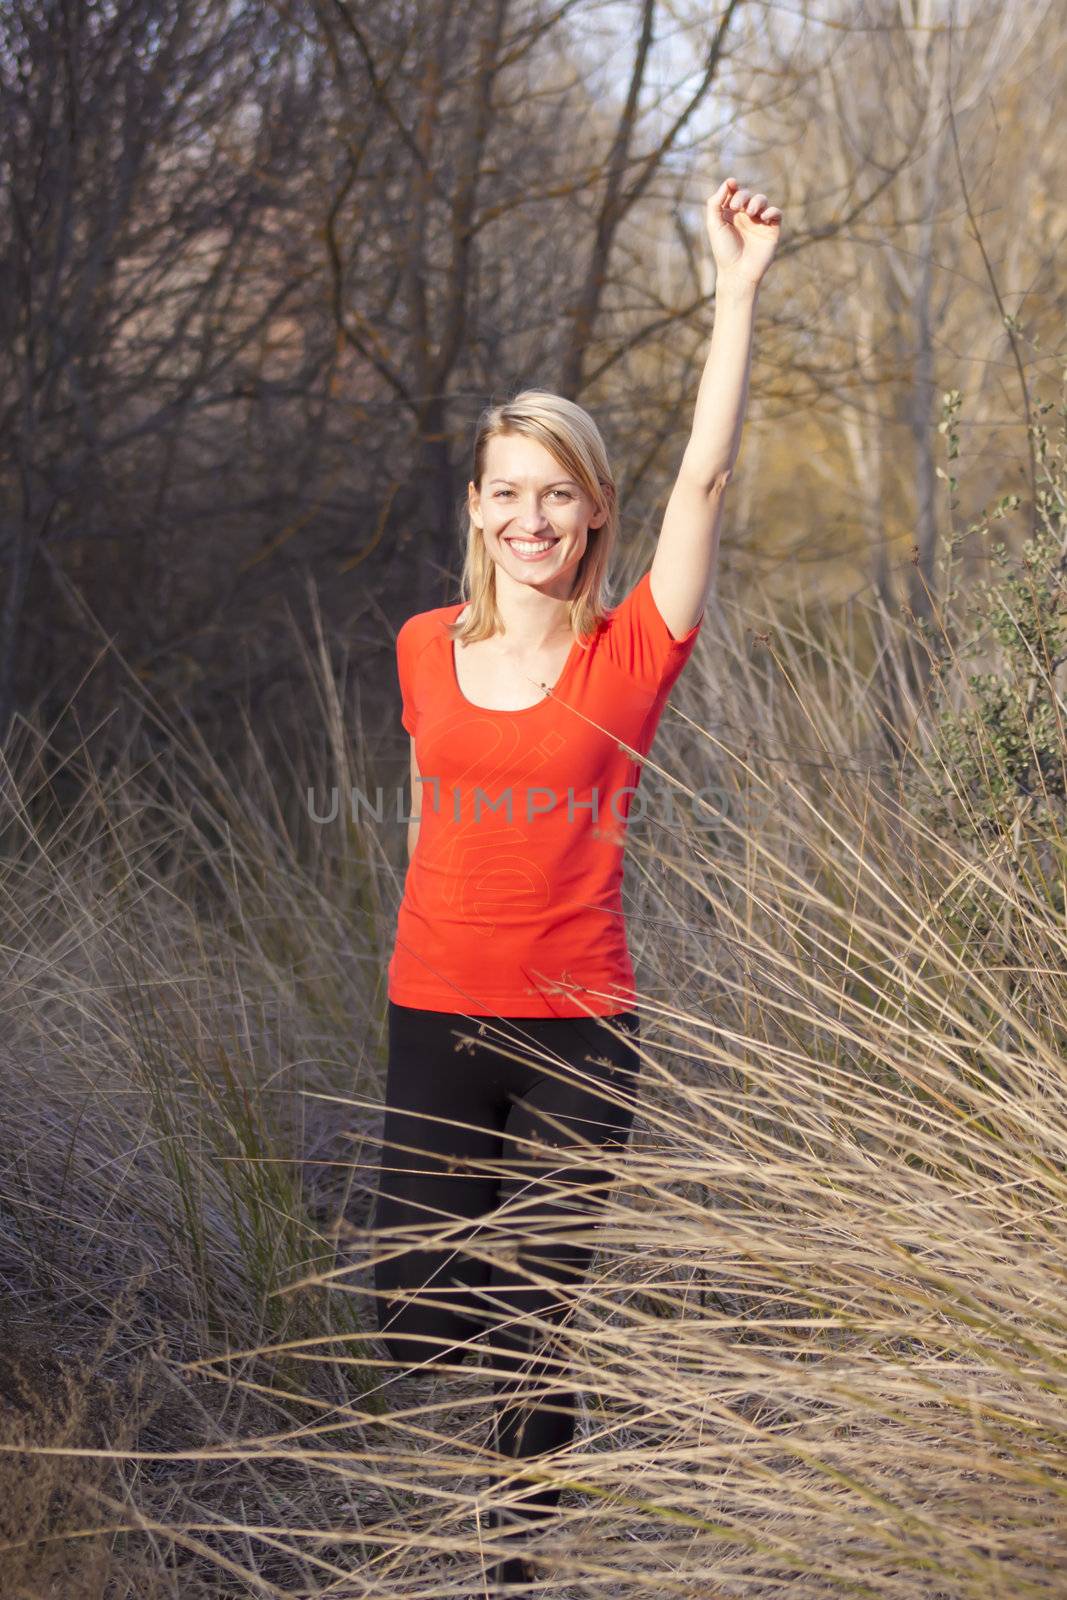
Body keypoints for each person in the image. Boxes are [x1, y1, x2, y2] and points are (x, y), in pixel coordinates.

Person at [369, 177, 782, 1591]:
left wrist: (734, 294)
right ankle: (542, 1402)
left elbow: (711, 483)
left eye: (559, 494)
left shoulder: (632, 654)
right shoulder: (425, 646)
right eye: (507, 494)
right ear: (477, 513)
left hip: (580, 1034)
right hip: (433, 1013)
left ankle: (519, 1562)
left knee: (537, 1313)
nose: (531, 517)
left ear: (596, 513)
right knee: (418, 1315)